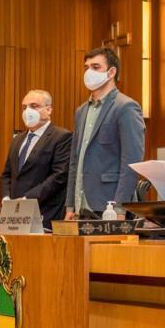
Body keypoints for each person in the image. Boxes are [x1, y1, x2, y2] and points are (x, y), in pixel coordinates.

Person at [64, 47, 145, 219]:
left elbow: (131, 163)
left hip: (109, 206)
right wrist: (70, 205)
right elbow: (74, 162)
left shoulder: (126, 107)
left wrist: (120, 208)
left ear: (111, 72)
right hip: (80, 207)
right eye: (86, 67)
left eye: (95, 67)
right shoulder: (81, 111)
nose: (88, 72)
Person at [0, 89, 72, 227]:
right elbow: (7, 174)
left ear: (49, 110)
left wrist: (28, 199)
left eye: (34, 106)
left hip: (44, 213)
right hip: (14, 216)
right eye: (24, 107)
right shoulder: (17, 140)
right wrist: (6, 198)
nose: (28, 111)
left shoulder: (62, 137)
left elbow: (59, 176)